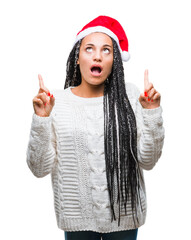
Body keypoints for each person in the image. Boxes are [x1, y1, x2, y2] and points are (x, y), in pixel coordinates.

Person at [27, 16, 165, 240]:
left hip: (125, 219)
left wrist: (152, 113)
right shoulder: (56, 102)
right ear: (77, 57)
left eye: (106, 50)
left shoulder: (130, 96)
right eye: (89, 49)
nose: (98, 56)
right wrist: (41, 119)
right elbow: (39, 168)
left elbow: (147, 161)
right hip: (76, 220)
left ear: (115, 61)